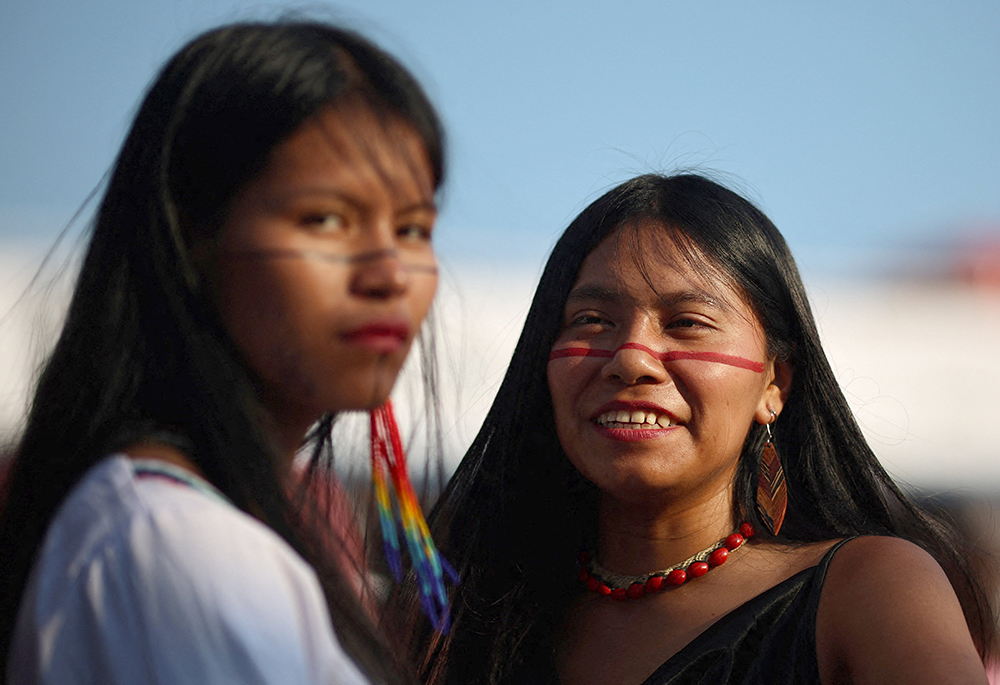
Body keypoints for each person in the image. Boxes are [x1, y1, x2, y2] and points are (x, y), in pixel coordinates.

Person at [405, 174, 995, 684]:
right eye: (591, 320)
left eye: (688, 323)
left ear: (774, 385)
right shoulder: (460, 618)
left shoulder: (867, 589)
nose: (631, 358)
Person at [0, 19, 446, 685]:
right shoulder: (173, 543)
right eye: (325, 218)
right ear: (190, 237)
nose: (390, 270)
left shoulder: (190, 527)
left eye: (413, 228)